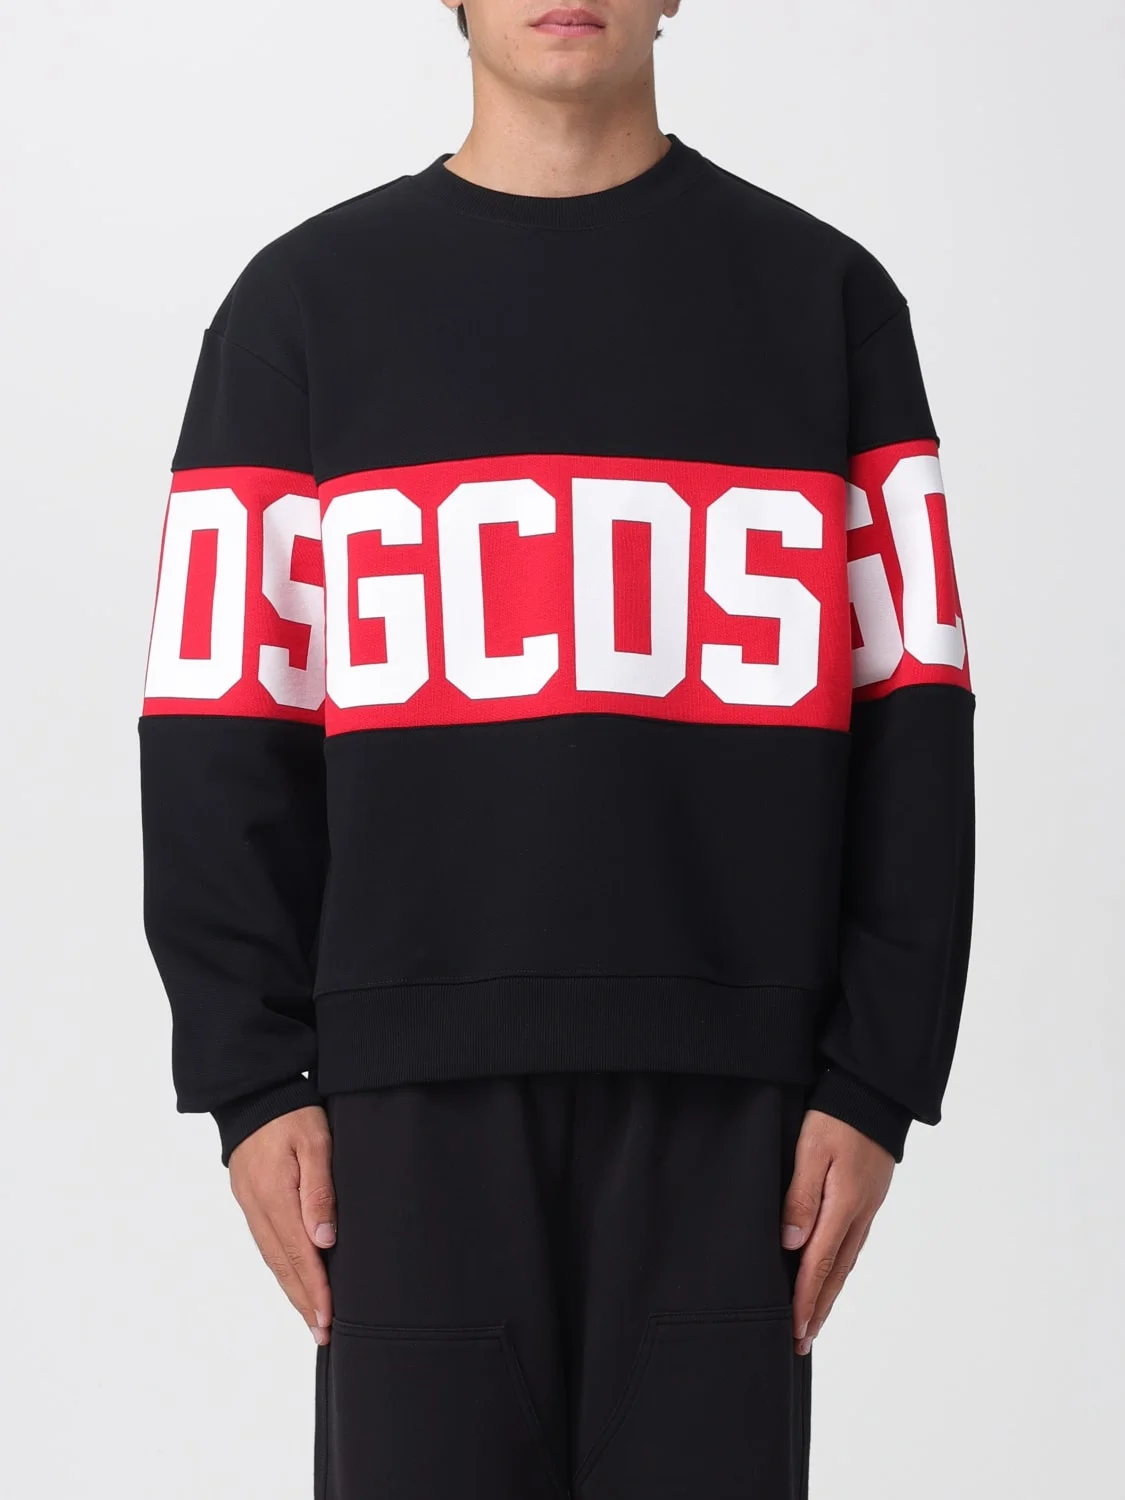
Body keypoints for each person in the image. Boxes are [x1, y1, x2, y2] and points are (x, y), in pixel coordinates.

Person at [138, 2, 975, 1495]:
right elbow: (219, 720)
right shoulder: (304, 309)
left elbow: (915, 714)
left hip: (736, 1115)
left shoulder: (824, 302)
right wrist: (251, 1079)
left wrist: (875, 1078)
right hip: (406, 1126)